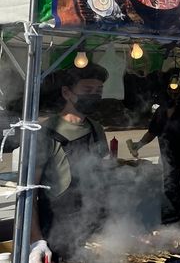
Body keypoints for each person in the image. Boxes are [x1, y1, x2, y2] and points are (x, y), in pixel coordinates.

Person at [29, 64, 109, 263]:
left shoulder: (96, 129)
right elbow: (29, 192)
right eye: (88, 90)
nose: (94, 96)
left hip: (94, 231)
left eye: (98, 91)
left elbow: (105, 180)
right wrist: (36, 240)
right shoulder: (45, 132)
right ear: (67, 92)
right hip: (57, 235)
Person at [129, 83, 180, 223]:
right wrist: (138, 145)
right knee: (169, 192)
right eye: (170, 91)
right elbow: (152, 132)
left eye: (177, 92)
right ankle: (177, 221)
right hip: (167, 162)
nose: (173, 95)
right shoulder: (161, 112)